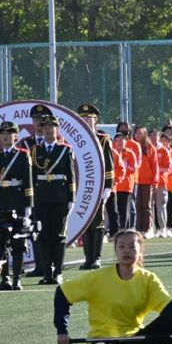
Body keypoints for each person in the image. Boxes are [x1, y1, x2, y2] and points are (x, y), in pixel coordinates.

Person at [32, 115, 77, 284]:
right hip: (41, 198)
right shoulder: (36, 151)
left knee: (58, 235)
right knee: (43, 235)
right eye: (45, 128)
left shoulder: (65, 150)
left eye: (51, 127)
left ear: (57, 130)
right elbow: (33, 177)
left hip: (60, 197)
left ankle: (58, 272)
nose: (48, 131)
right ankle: (46, 273)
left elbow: (71, 176)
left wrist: (71, 198)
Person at [75, 104, 115, 271]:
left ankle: (96, 257)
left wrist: (108, 186)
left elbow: (109, 163)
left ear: (96, 120)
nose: (86, 120)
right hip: (81, 186)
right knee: (85, 222)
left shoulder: (103, 139)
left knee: (97, 222)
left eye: (89, 117)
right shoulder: (76, 139)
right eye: (83, 118)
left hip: (97, 186)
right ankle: (88, 257)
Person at [0, 121, 34, 291]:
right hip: (1, 203)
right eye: (3, 133)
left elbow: (28, 182)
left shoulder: (22, 155)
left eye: (10, 133)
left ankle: (17, 279)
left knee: (19, 242)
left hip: (18, 202)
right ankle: (5, 278)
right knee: (2, 243)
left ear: (16, 136)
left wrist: (28, 206)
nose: (6, 136)